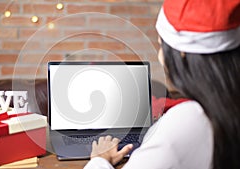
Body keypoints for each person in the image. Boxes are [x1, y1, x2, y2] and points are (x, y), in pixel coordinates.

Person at [84, 0, 240, 168]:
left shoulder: (185, 123)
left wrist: (100, 159)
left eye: (161, 45)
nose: (160, 55)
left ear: (181, 54)